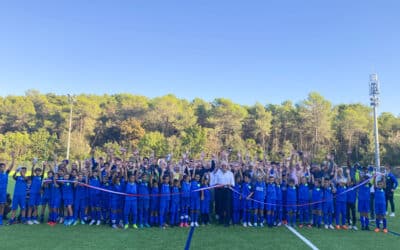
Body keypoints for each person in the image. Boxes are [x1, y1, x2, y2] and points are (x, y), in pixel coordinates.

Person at [214, 161, 235, 227]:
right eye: (222, 166)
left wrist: (229, 185)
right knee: (220, 206)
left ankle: (227, 222)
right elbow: (215, 183)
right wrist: (219, 185)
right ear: (221, 167)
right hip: (220, 190)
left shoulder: (230, 173)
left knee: (227, 207)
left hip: (228, 190)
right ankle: (221, 220)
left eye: (225, 166)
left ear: (227, 166)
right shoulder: (218, 173)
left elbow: (233, 184)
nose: (224, 167)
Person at [0, 153, 15, 226]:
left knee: (2, 206)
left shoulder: (6, 173)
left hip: (3, 193)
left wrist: (13, 158)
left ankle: (0, 220)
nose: (3, 168)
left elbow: (11, 166)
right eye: (2, 167)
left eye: (4, 167)